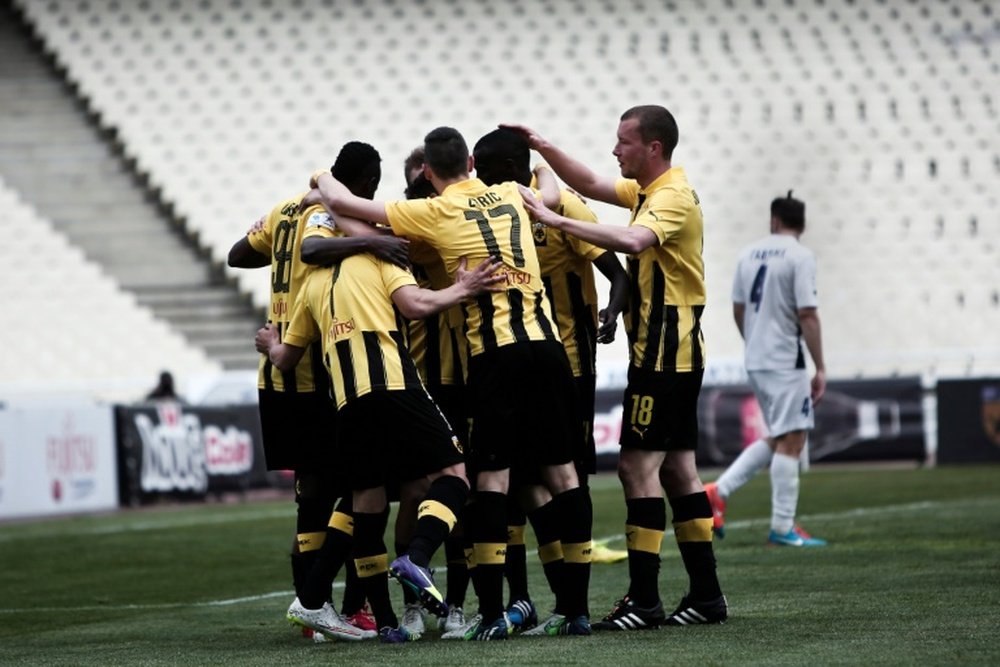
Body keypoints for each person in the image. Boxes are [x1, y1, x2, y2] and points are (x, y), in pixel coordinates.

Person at [309, 126, 596, 640]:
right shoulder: (512, 193)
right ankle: (575, 612)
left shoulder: (433, 212)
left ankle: (487, 615)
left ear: (426, 173)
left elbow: (344, 204)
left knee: (490, 480)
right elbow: (549, 194)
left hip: (495, 356)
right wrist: (544, 155)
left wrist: (319, 179)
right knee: (564, 475)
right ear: (469, 159)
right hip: (549, 349)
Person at [507, 105, 727, 629]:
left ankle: (645, 601)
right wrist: (542, 145)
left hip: (663, 355)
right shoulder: (651, 190)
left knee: (636, 468)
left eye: (624, 142)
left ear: (653, 148)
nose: (614, 150)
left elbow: (633, 240)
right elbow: (587, 180)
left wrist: (553, 219)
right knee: (678, 470)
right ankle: (706, 596)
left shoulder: (670, 197)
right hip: (671, 352)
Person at [255, 229, 504, 643]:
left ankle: (317, 599)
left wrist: (270, 343)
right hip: (393, 387)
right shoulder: (379, 259)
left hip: (347, 402)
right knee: (454, 475)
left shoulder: (311, 283)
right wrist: (464, 287)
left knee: (364, 503)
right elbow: (416, 305)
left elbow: (285, 358)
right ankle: (419, 558)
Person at [227, 142, 408, 638]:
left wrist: (276, 256)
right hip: (322, 371)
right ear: (366, 182)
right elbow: (314, 249)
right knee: (359, 490)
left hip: (277, 373)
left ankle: (317, 613)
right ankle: (343, 608)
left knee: (312, 498)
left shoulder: (285, 209)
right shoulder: (332, 215)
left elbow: (238, 254)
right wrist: (367, 243)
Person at [471, 127, 630, 633]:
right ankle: (542, 601)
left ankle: (562, 601)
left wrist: (610, 315)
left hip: (567, 367)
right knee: (524, 483)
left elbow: (617, 272)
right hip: (536, 362)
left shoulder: (559, 209)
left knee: (548, 479)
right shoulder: (504, 208)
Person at [704, 192, 828, 547]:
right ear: (801, 225)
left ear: (774, 220)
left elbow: (739, 308)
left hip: (756, 356)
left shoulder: (748, 254)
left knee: (780, 434)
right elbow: (807, 313)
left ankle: (718, 491)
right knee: (793, 438)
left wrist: (754, 341)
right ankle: (782, 527)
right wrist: (820, 366)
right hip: (785, 358)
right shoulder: (801, 256)